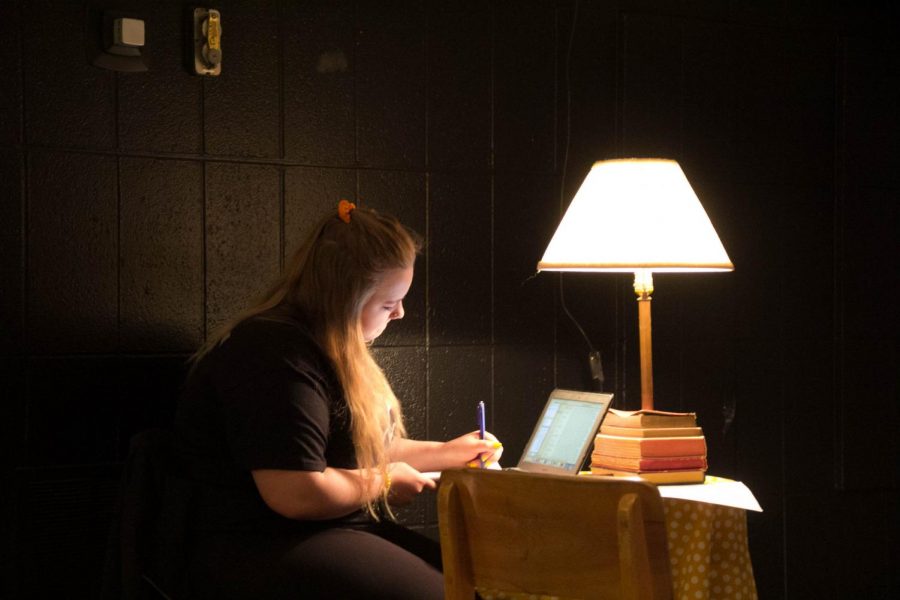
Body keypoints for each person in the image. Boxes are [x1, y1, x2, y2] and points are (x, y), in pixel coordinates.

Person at [175, 200, 503, 599]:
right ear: (345, 298)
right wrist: (381, 483)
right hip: (258, 542)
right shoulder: (273, 354)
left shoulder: (330, 344)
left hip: (325, 529)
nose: (400, 313)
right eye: (387, 303)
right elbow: (296, 492)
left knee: (483, 587)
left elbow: (361, 451)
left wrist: (449, 453)